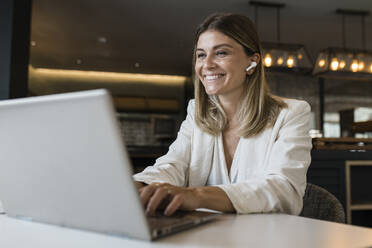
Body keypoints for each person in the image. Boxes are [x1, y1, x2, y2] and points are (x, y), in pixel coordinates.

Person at [134, 13, 312, 217]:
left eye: (221, 53)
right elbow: (174, 165)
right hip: (205, 235)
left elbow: (283, 190)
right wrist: (137, 184)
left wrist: (197, 195)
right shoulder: (196, 112)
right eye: (201, 55)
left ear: (252, 62)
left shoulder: (291, 114)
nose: (207, 64)